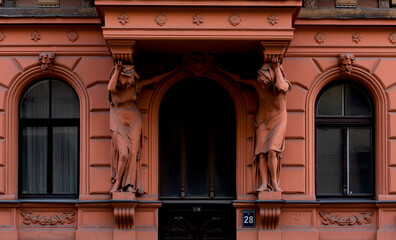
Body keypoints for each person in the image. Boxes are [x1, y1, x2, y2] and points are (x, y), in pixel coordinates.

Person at [220, 56, 291, 192]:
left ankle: (274, 181)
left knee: (271, 151)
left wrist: (276, 68)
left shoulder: (283, 84)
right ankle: (264, 183)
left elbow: (281, 88)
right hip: (262, 122)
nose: (262, 84)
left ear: (270, 77)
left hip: (278, 121)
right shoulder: (258, 85)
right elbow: (240, 80)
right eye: (260, 81)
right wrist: (219, 70)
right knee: (261, 154)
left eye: (264, 81)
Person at [109, 61, 176, 193]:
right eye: (128, 80)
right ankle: (117, 183)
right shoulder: (114, 88)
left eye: (132, 80)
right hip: (118, 119)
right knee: (123, 153)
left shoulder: (135, 86)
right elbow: (110, 88)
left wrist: (174, 71)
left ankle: (129, 185)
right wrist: (117, 70)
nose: (130, 83)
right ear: (120, 77)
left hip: (134, 119)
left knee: (133, 153)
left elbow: (153, 79)